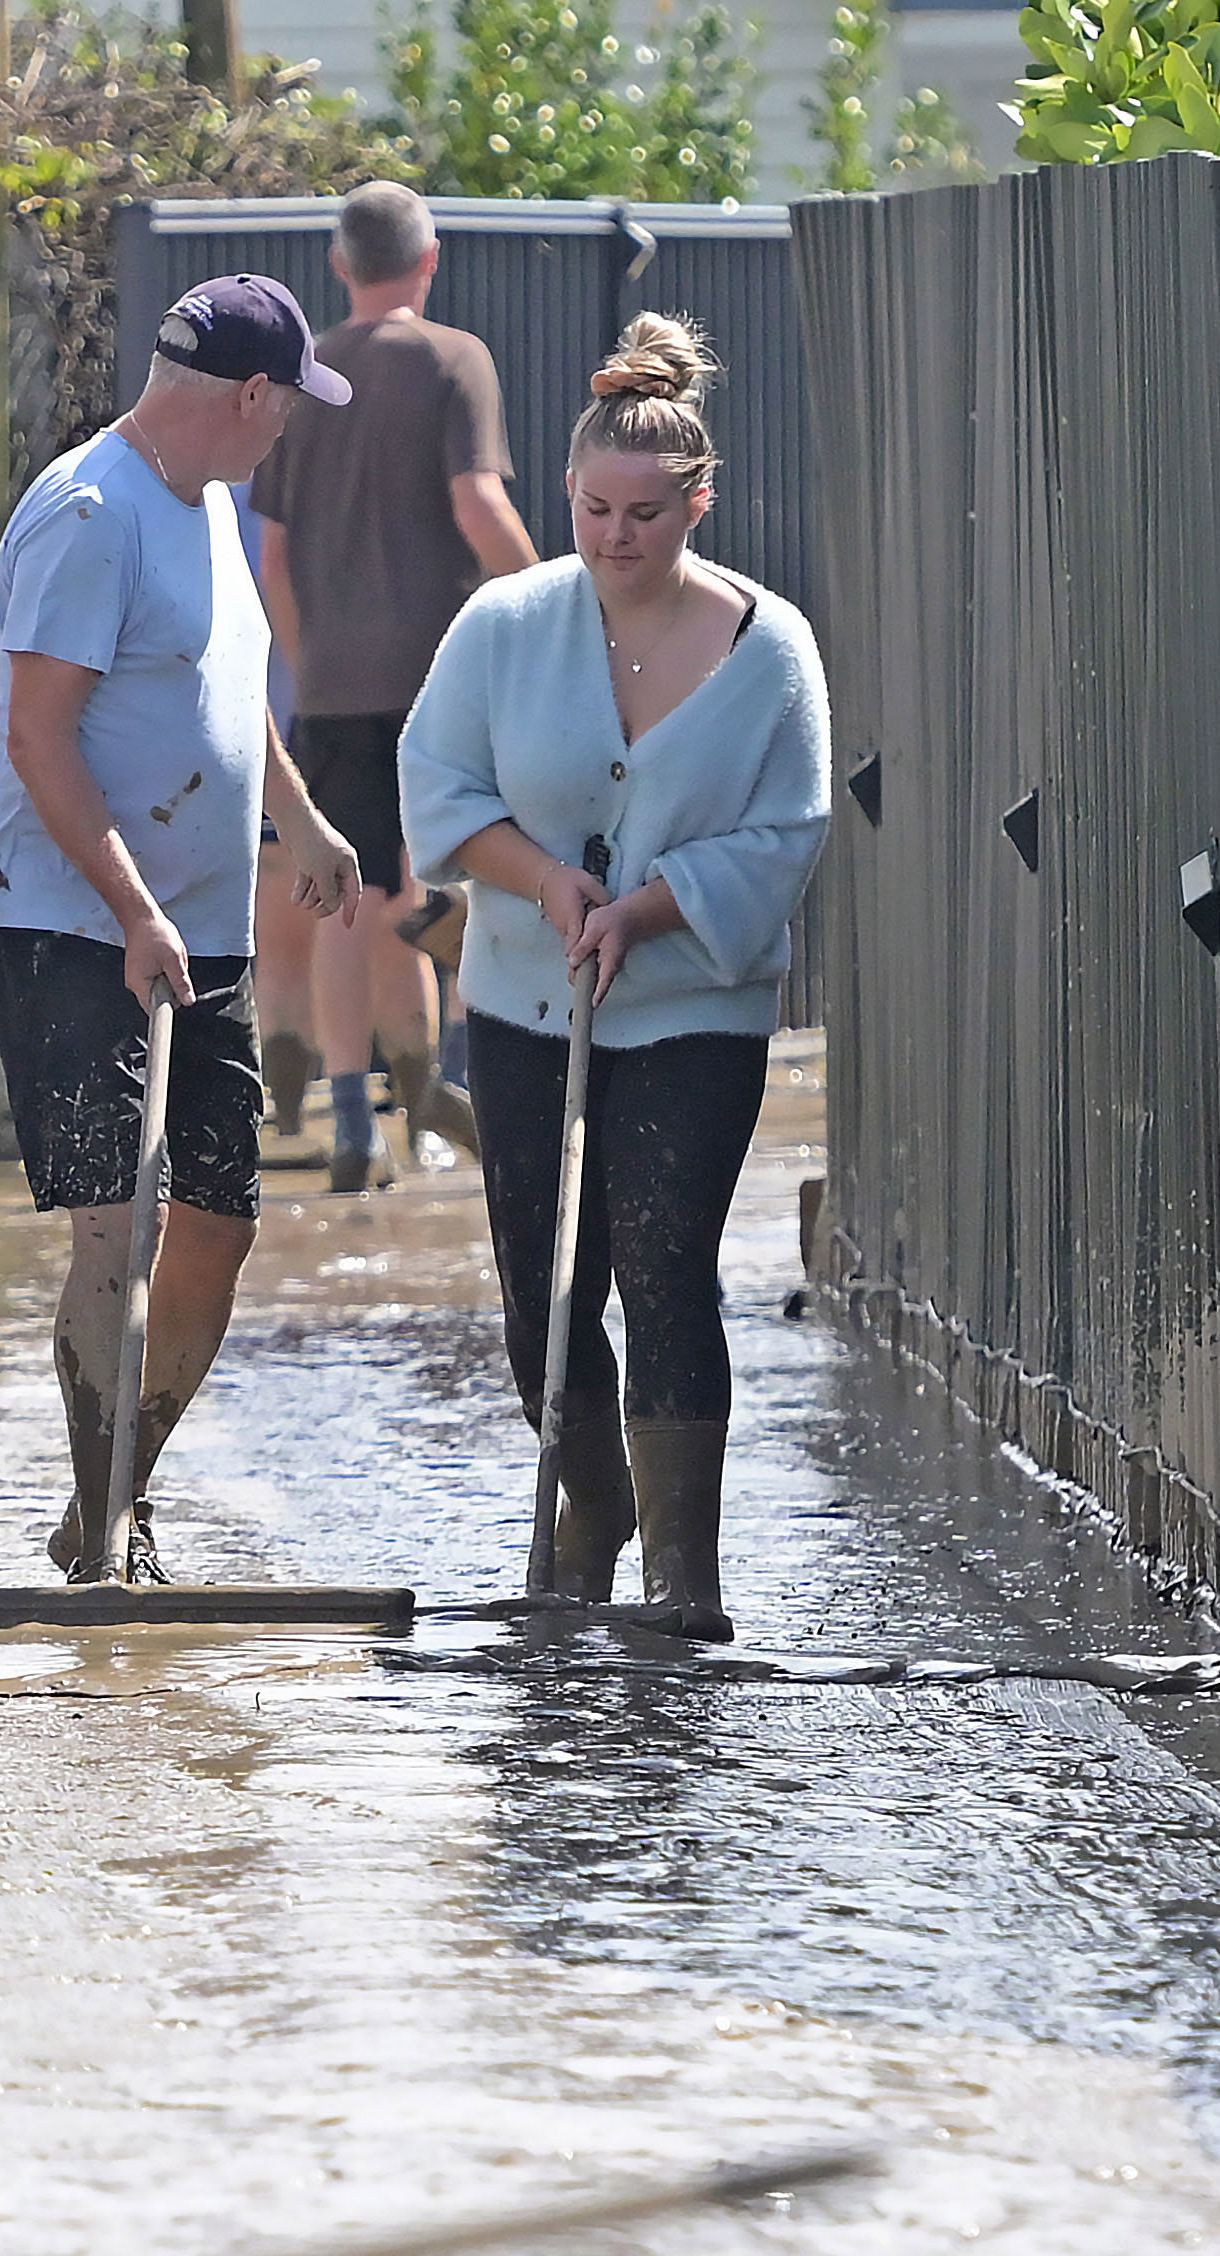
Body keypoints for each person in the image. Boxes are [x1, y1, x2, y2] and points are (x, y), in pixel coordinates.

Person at [397, 312, 828, 1640]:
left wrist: (648, 907)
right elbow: (438, 786)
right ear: (565, 495)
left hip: (692, 1007)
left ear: (698, 502)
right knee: (539, 1285)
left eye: (646, 510)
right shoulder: (502, 626)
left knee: (663, 1264)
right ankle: (592, 1505)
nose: (614, 533)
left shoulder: (771, 653)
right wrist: (543, 881)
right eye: (592, 507)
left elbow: (788, 829)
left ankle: (683, 1577)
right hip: (527, 1000)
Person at [0, 270, 363, 1587]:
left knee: (219, 1217)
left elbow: (217, 682)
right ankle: (102, 1536)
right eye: (285, 407)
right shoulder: (89, 515)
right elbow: (36, 735)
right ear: (249, 395)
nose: (285, 431)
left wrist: (296, 818)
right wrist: (133, 908)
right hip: (74, 927)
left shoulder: (213, 503)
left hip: (200, 929)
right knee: (114, 1227)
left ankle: (115, 1491)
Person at [256, 185, 533, 1190]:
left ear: (340, 267)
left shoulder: (305, 377)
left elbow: (274, 556)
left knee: (349, 897)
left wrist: (311, 657)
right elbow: (478, 502)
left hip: (334, 691)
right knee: (454, 886)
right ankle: (442, 1092)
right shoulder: (455, 360)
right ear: (431, 259)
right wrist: (556, 609)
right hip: (445, 683)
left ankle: (353, 1127)